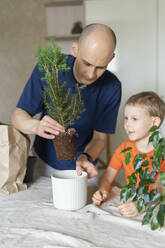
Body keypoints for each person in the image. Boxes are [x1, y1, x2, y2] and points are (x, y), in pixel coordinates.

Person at [11, 23, 121, 178]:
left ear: (111, 58)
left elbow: (100, 138)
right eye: (87, 63)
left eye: (101, 67)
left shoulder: (112, 87)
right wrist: (36, 126)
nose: (91, 74)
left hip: (81, 168)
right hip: (43, 163)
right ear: (75, 50)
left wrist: (86, 157)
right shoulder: (50, 68)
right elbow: (17, 116)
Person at [92, 91, 165, 217]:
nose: (127, 124)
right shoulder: (124, 149)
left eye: (134, 119)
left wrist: (141, 204)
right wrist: (103, 190)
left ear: (154, 123)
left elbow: (161, 191)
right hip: (131, 203)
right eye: (126, 118)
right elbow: (107, 178)